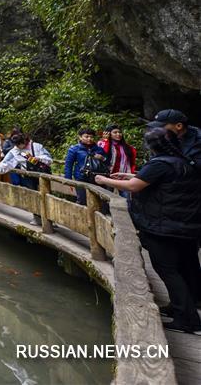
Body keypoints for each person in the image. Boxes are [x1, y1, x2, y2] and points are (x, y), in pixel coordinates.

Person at [96, 128, 201, 334]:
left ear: (153, 146)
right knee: (181, 268)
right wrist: (130, 175)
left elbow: (134, 187)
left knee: (168, 270)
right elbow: (157, 180)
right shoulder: (184, 162)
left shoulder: (160, 163)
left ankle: (188, 320)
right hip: (186, 226)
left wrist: (104, 181)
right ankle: (179, 307)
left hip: (163, 227)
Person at [0, 133, 52, 225]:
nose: (18, 146)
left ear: (24, 141)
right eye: (16, 145)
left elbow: (49, 159)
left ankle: (51, 219)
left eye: (19, 144)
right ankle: (37, 218)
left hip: (43, 174)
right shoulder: (15, 150)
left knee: (47, 195)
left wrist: (38, 158)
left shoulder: (36, 146)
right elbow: (6, 162)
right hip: (28, 176)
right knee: (33, 196)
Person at [149, 109, 201, 174]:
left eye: (161, 126)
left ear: (179, 126)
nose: (156, 130)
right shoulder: (162, 138)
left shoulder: (198, 140)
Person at [64, 128, 107, 205]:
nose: (89, 139)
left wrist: (102, 158)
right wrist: (68, 180)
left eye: (91, 137)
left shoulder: (99, 149)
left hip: (97, 178)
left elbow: (107, 162)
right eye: (86, 137)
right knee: (82, 201)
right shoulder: (74, 149)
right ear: (80, 137)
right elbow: (68, 165)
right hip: (81, 178)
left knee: (101, 202)